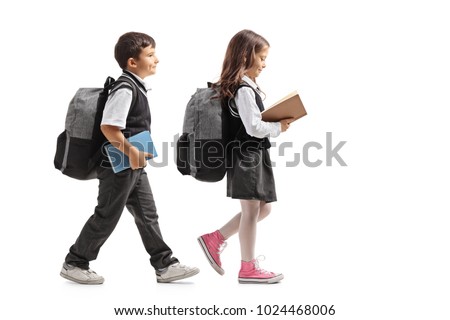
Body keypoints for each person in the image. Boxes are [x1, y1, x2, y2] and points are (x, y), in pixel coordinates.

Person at [60, 32, 199, 284]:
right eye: (150, 54)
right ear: (132, 62)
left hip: (131, 165)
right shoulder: (125, 88)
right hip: (118, 165)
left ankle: (165, 265)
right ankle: (75, 262)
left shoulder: (135, 86)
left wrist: (136, 157)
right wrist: (133, 153)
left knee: (147, 214)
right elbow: (109, 127)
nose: (156, 59)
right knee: (107, 214)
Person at [197, 30, 292, 284]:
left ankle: (214, 238)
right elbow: (253, 128)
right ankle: (248, 268)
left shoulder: (247, 87)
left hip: (253, 155)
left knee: (264, 208)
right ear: (245, 56)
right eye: (261, 57)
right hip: (247, 156)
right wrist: (278, 127)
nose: (264, 63)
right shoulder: (243, 89)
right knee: (251, 210)